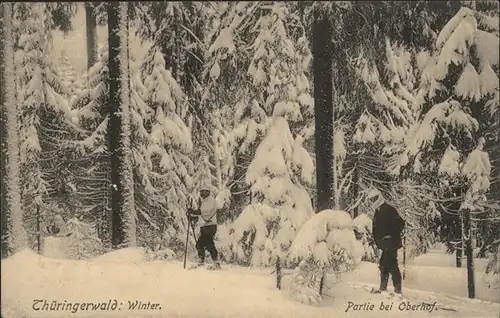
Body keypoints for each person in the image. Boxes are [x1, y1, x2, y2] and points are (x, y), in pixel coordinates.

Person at [369, 189, 405, 294]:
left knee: (392, 265)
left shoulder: (389, 209)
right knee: (384, 264)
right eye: (371, 199)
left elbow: (401, 223)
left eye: (374, 199)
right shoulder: (378, 210)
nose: (372, 201)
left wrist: (391, 235)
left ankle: (397, 290)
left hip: (391, 244)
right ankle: (383, 288)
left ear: (379, 197)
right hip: (385, 244)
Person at [187, 186, 220, 269]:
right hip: (205, 227)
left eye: (204, 192)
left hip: (210, 226)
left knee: (208, 244)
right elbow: (202, 215)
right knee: (200, 244)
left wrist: (193, 212)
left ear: (208, 192)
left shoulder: (210, 200)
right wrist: (192, 217)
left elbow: (204, 211)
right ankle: (202, 261)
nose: (202, 193)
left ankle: (215, 262)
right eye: (201, 192)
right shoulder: (204, 201)